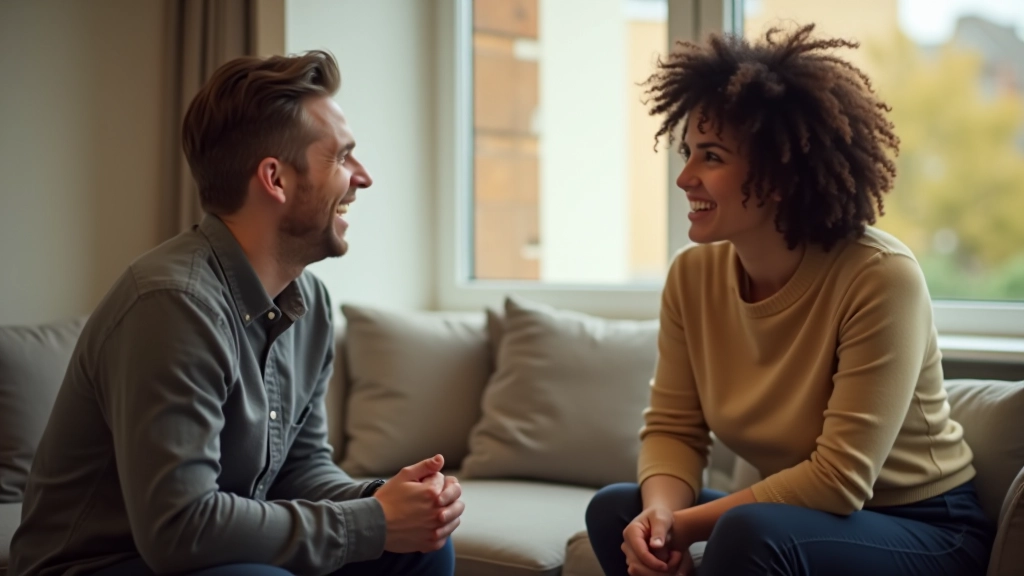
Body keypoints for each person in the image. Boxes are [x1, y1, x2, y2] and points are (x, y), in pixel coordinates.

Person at [10, 50, 462, 576]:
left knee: (421, 546)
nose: (362, 178)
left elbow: (300, 468)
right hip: (98, 563)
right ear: (275, 179)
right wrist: (370, 522)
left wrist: (386, 501)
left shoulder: (309, 303)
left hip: (198, 552)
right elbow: (181, 528)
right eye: (341, 157)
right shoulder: (172, 304)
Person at [585, 24, 994, 576]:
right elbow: (673, 429)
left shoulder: (880, 276)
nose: (684, 177)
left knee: (750, 533)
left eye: (711, 156)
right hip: (801, 522)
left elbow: (838, 481)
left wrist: (684, 527)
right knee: (617, 510)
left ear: (778, 173)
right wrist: (659, 519)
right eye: (688, 152)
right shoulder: (691, 277)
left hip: (926, 526)